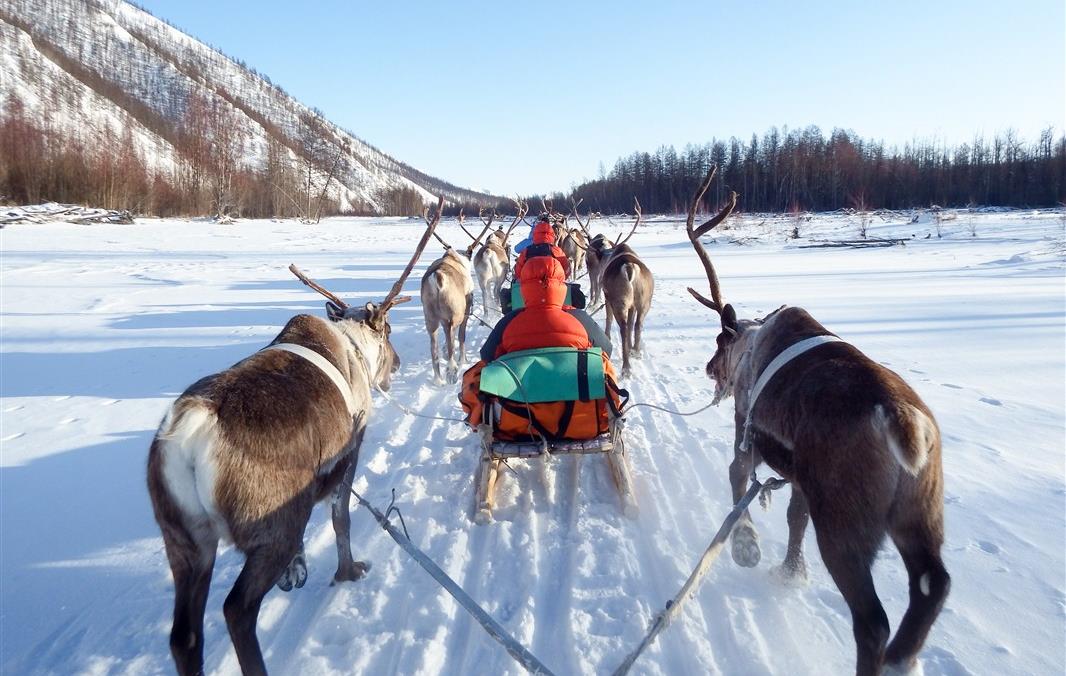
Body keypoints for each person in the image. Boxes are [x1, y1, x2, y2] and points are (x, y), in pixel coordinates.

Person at [480, 254, 610, 362]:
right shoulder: (579, 318)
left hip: (520, 391)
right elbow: (606, 350)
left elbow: (486, 357)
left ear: (523, 287)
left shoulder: (509, 321)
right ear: (562, 285)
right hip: (576, 391)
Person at [512, 214, 570, 279]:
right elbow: (567, 271)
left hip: (529, 287)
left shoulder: (526, 251)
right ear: (552, 234)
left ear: (535, 232)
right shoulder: (557, 251)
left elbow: (518, 273)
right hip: (553, 287)